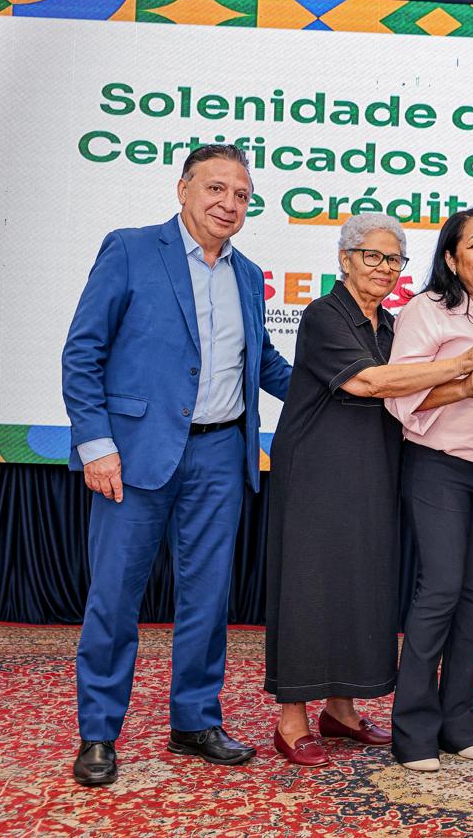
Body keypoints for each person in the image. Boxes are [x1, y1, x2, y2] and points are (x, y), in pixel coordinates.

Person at [62, 144, 292, 786]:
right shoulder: (130, 249)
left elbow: (264, 363)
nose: (229, 204)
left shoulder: (248, 274)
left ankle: (194, 720)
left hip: (221, 453)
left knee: (208, 598)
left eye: (241, 195)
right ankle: (98, 733)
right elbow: (82, 352)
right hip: (133, 455)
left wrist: (343, 384)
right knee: (115, 598)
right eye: (216, 188)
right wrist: (96, 445)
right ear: (183, 189)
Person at [264, 213, 473, 767]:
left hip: (374, 468)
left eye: (393, 259)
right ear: (344, 260)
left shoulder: (392, 325)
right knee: (309, 588)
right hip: (316, 471)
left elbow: (412, 394)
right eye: (371, 256)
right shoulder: (323, 315)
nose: (383, 267)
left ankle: (340, 711)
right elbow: (369, 382)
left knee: (358, 586)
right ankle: (292, 719)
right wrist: (461, 362)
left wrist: (465, 385)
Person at [385, 207, 473, 772]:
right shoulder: (427, 310)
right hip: (439, 465)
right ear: (451, 256)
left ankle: (459, 720)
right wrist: (464, 385)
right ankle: (413, 728)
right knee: (441, 589)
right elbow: (399, 395)